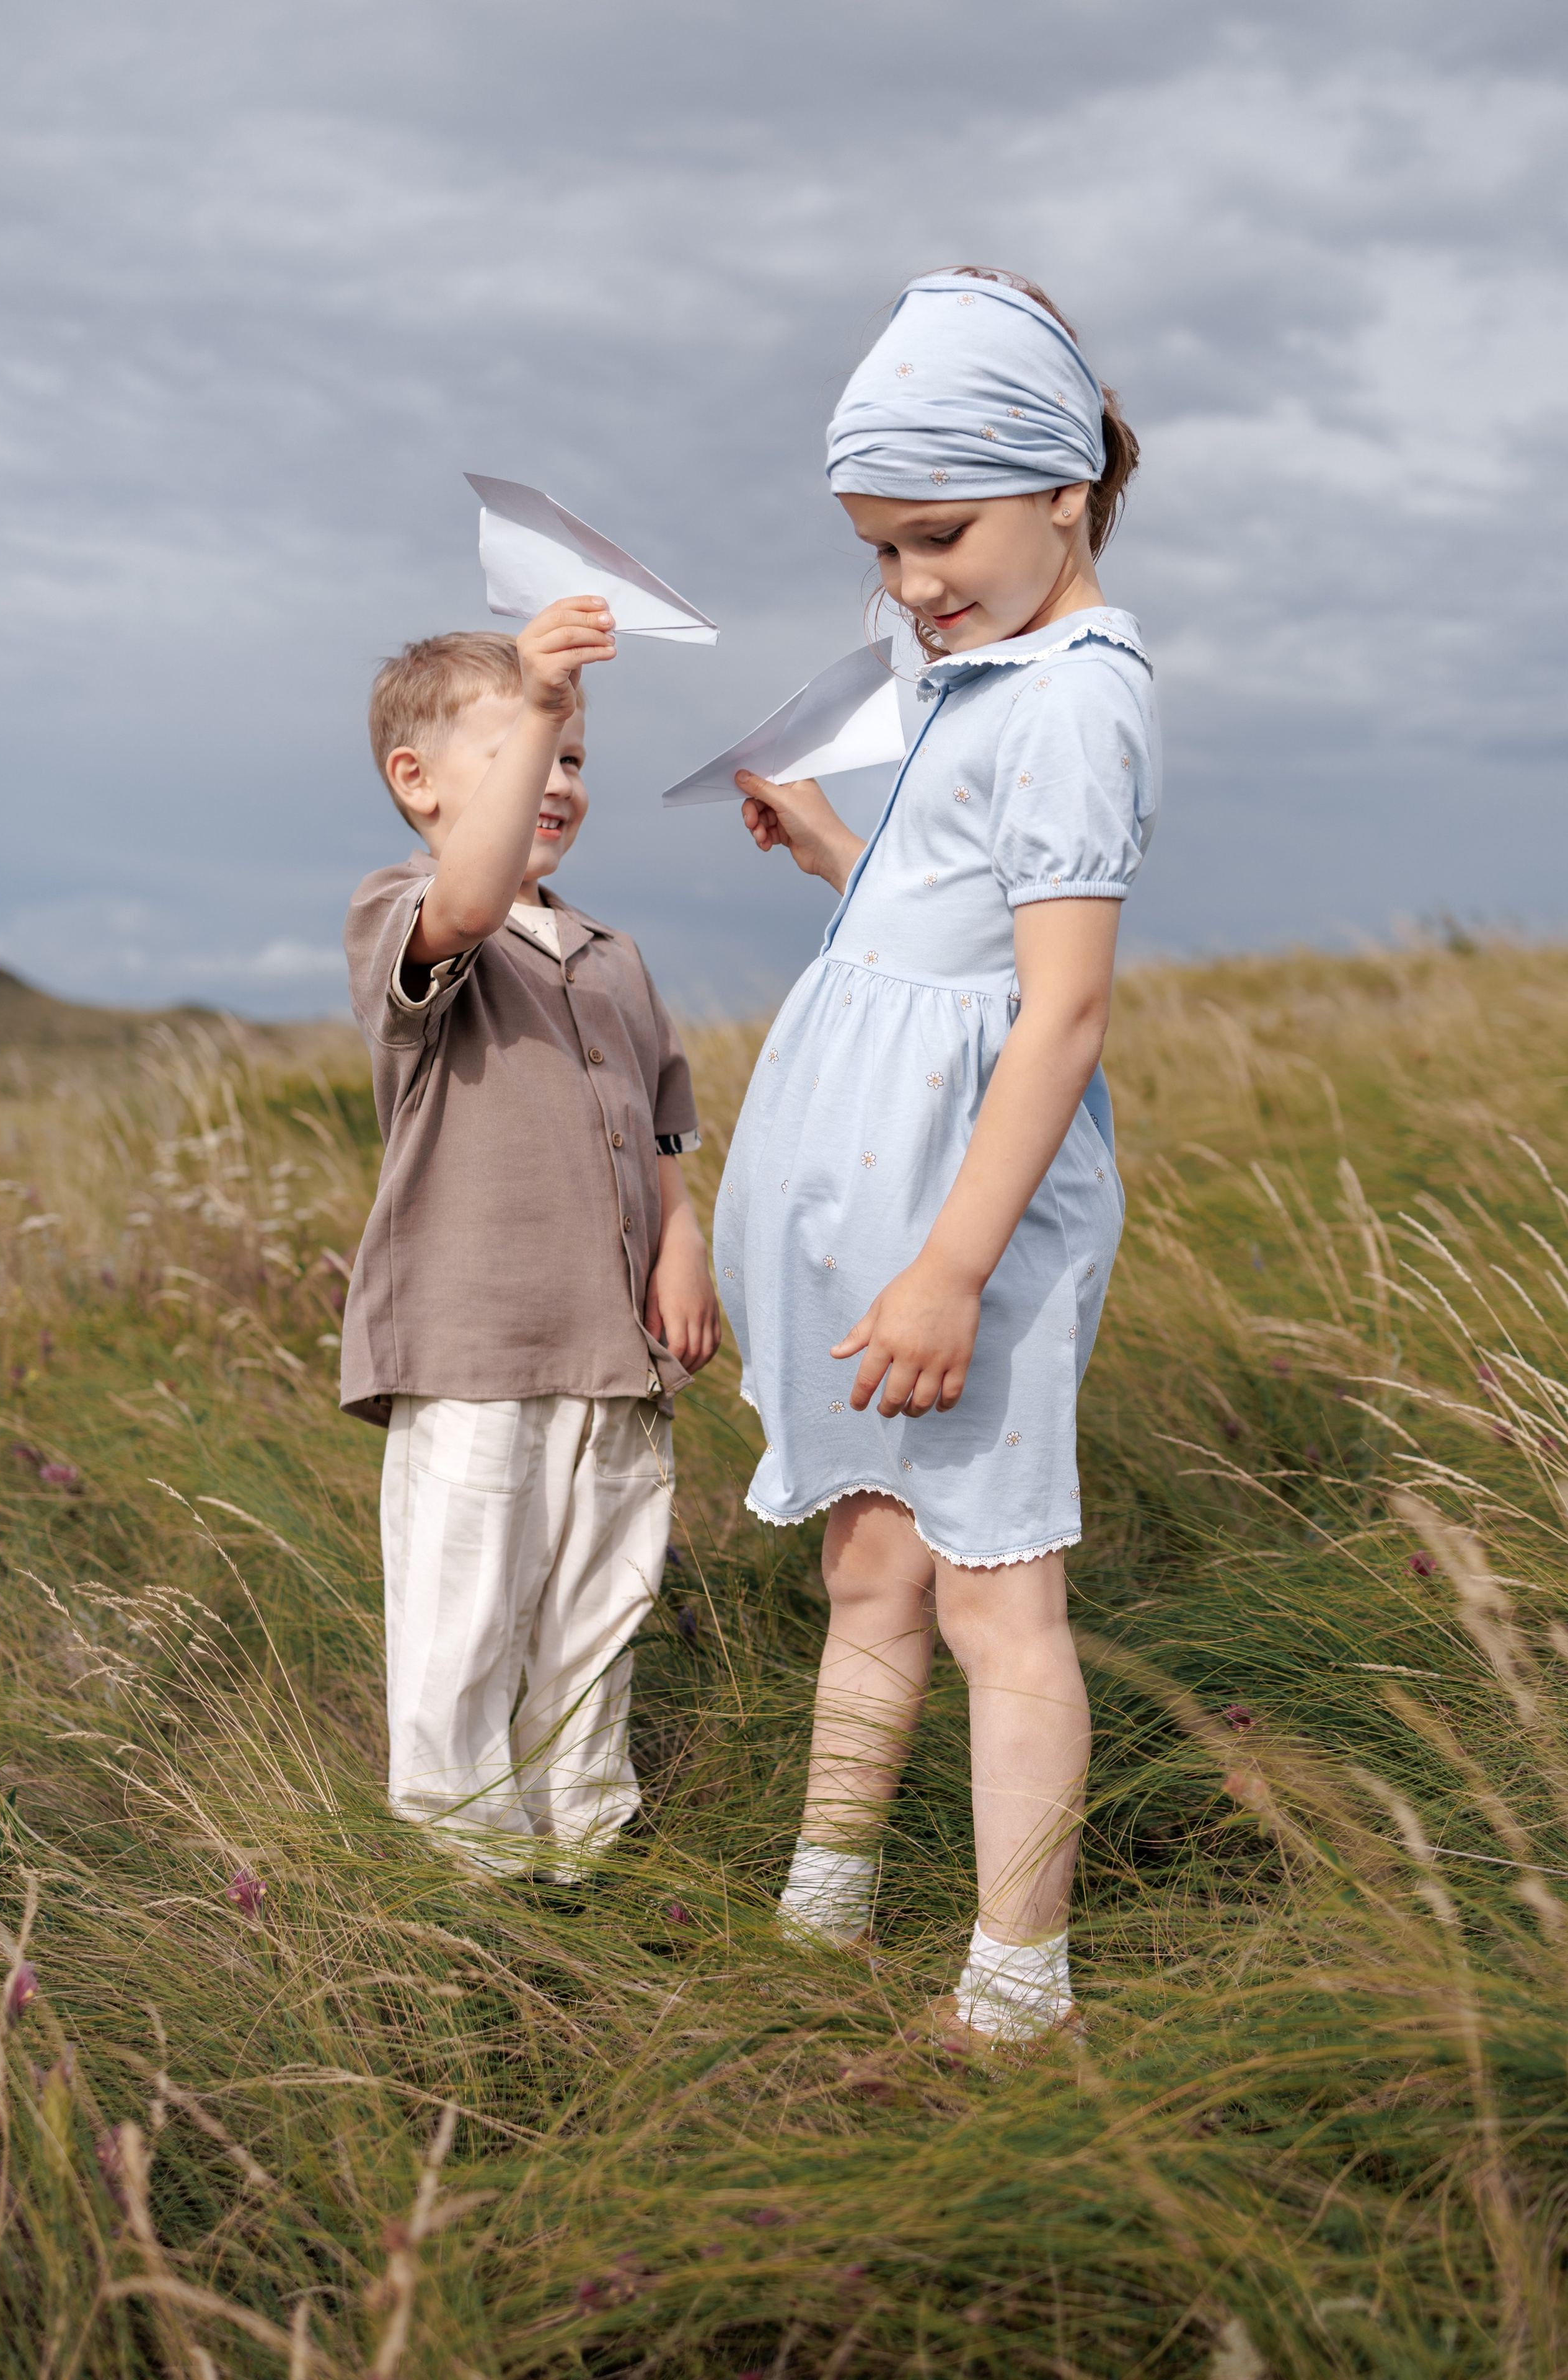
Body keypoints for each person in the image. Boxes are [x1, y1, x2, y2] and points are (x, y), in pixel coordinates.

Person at [715, 268, 1159, 2042]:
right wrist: (837, 846)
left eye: (940, 535)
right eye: (881, 551)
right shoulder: (985, 677)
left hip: (957, 1231)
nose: (911, 584)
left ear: (1063, 487)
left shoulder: (1076, 698)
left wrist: (952, 1270)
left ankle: (1014, 1987)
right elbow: (945, 935)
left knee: (992, 1596)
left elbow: (1058, 1013)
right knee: (872, 1566)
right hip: (882, 1225)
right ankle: (825, 1906)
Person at [340, 606, 720, 1876]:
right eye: (521, 754)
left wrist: (681, 1244)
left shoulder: (614, 956)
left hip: (611, 1350)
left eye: (572, 758)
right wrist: (547, 694)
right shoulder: (405, 911)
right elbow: (469, 896)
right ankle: (469, 1873)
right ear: (418, 783)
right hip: (474, 1346)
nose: (556, 777)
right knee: (466, 1620)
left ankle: (581, 1849)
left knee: (599, 1609)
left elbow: (660, 1131)